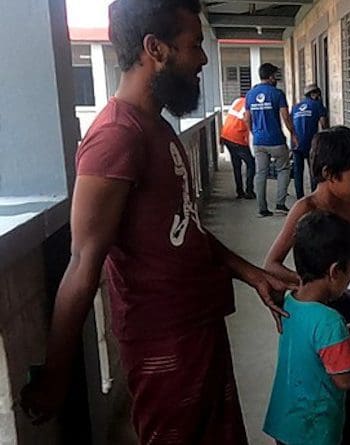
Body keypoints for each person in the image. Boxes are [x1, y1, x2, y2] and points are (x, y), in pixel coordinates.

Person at [19, 1, 289, 443]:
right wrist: (56, 375)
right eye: (194, 45)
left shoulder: (155, 125)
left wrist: (253, 274)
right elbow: (83, 263)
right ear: (154, 48)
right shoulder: (114, 138)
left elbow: (186, 228)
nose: (202, 58)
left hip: (199, 325)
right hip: (163, 344)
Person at [264, 126, 350, 445]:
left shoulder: (349, 207)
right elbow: (271, 264)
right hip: (315, 304)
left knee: (349, 392)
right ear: (329, 173)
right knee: (318, 383)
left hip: (343, 304)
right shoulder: (305, 209)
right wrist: (314, 283)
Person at [263, 211, 350, 445]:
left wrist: (344, 333)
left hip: (285, 422)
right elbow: (346, 380)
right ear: (335, 271)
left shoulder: (290, 302)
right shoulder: (330, 319)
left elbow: (311, 344)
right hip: (314, 429)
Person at [245, 63, 297, 217]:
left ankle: (262, 209)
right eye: (275, 76)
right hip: (276, 140)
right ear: (270, 77)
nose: (276, 79)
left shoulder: (250, 94)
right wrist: (293, 133)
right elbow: (286, 117)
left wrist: (254, 132)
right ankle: (280, 205)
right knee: (283, 169)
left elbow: (246, 118)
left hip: (259, 142)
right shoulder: (277, 94)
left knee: (260, 173)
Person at [291, 83, 329, 199]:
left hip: (296, 143)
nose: (319, 96)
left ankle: (300, 198)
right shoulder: (317, 105)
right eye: (318, 94)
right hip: (310, 143)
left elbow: (290, 123)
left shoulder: (296, 106)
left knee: (298, 172)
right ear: (313, 94)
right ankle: (314, 196)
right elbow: (323, 124)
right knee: (313, 170)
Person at [221, 95, 256, 199]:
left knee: (236, 164)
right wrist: (253, 132)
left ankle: (239, 191)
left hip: (226, 135)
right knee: (251, 164)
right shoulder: (251, 105)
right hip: (237, 137)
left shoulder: (238, 101)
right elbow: (247, 119)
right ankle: (249, 191)